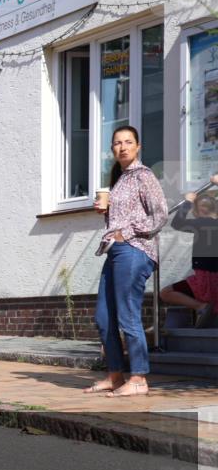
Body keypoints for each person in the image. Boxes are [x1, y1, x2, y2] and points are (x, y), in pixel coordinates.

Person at [86, 126, 168, 398]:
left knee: (127, 315)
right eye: (117, 143)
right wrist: (107, 214)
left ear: (138, 146)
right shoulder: (120, 179)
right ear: (112, 148)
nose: (122, 147)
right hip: (114, 250)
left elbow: (160, 215)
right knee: (104, 318)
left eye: (128, 142)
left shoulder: (143, 175)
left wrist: (126, 232)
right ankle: (115, 375)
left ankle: (139, 378)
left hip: (134, 250)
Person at [160, 180, 218, 327]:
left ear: (196, 212)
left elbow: (177, 223)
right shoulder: (203, 223)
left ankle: (201, 307)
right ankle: (205, 310)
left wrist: (187, 202)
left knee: (165, 293)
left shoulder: (198, 223)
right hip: (208, 278)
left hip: (203, 278)